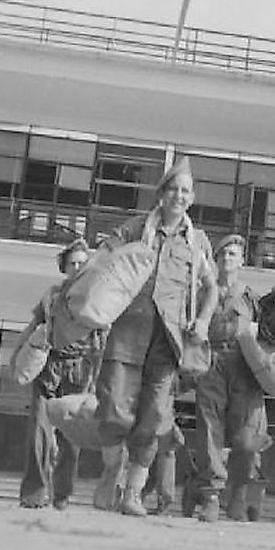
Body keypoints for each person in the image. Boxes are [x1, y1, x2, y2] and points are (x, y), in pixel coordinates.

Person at [93, 155, 217, 517]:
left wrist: (204, 320)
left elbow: (211, 288)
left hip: (169, 340)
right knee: (114, 408)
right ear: (161, 194)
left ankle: (132, 492)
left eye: (185, 191)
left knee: (153, 417)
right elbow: (102, 259)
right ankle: (112, 467)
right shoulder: (134, 228)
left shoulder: (198, 242)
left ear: (191, 199)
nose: (178, 196)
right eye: (173, 190)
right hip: (127, 333)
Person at [11, 238, 104, 510]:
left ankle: (62, 493)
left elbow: (105, 337)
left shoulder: (97, 297)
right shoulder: (51, 295)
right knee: (38, 432)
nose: (77, 268)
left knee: (71, 436)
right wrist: (16, 356)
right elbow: (34, 326)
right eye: (72, 263)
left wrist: (100, 377)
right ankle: (34, 492)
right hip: (48, 367)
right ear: (64, 267)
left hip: (81, 370)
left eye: (82, 263)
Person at [192, 233, 268, 523]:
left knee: (247, 435)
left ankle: (238, 494)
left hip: (244, 366)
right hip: (210, 361)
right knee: (209, 427)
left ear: (242, 261)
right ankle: (211, 495)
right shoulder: (202, 293)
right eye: (222, 255)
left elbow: (267, 335)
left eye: (232, 255)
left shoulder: (250, 297)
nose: (226, 259)